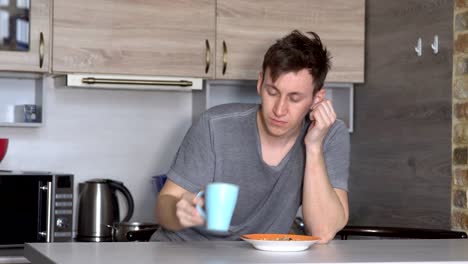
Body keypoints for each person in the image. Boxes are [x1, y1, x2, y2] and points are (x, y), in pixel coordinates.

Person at [151, 30, 350, 243]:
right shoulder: (215, 125)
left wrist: (313, 146)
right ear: (260, 83)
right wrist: (178, 212)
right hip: (181, 252)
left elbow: (323, 231)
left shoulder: (329, 134)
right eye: (272, 92)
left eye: (295, 98)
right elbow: (165, 205)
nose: (279, 109)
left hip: (252, 257)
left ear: (317, 98)